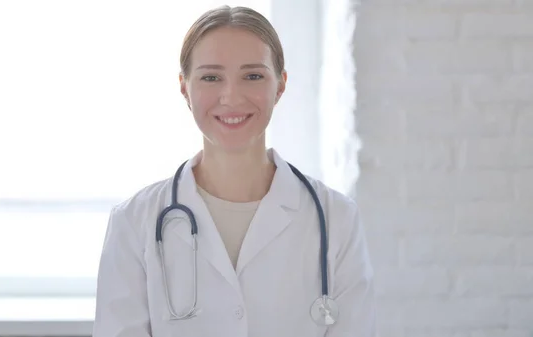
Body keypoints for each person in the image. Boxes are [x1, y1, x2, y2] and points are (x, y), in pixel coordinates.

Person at [92, 5, 376, 337]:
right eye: (211, 77)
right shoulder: (134, 223)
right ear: (184, 87)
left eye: (253, 76)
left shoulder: (335, 218)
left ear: (280, 86)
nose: (231, 96)